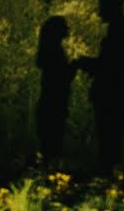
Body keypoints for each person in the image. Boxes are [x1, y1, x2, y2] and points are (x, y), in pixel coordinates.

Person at [76, 0, 124, 175]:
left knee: (108, 141)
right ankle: (109, 178)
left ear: (111, 8)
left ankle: (106, 178)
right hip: (118, 95)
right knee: (111, 140)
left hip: (112, 96)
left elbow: (109, 66)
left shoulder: (118, 31)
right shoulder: (123, 29)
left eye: (102, 7)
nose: (99, 11)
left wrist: (84, 63)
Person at [35, 15, 76, 165]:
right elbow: (62, 77)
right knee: (54, 143)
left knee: (49, 143)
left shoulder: (49, 51)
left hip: (49, 102)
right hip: (55, 104)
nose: (67, 28)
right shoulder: (56, 52)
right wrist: (76, 65)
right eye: (64, 26)